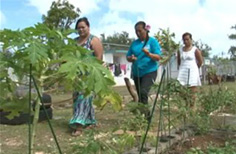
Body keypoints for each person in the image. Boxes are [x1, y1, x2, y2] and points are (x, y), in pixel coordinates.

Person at [69, 17, 103, 136]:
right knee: (77, 99)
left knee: (83, 98)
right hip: (76, 75)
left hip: (89, 74)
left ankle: (79, 126)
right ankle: (90, 121)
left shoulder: (94, 40)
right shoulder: (74, 42)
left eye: (83, 27)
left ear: (88, 27)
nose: (81, 30)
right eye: (78, 28)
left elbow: (99, 59)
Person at [126, 21, 162, 116]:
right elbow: (128, 56)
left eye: (140, 31)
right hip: (137, 73)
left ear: (145, 30)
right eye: (136, 31)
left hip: (149, 71)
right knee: (140, 96)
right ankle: (142, 117)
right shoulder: (134, 44)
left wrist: (149, 54)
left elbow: (158, 57)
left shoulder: (152, 42)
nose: (138, 33)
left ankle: (147, 117)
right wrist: (131, 58)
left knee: (143, 92)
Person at [177, 32, 203, 109]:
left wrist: (195, 68)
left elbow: (200, 61)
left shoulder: (195, 50)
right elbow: (178, 61)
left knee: (192, 92)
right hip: (182, 72)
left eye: (187, 39)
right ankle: (187, 104)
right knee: (181, 90)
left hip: (192, 72)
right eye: (184, 40)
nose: (186, 41)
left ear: (191, 40)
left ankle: (192, 108)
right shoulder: (180, 50)